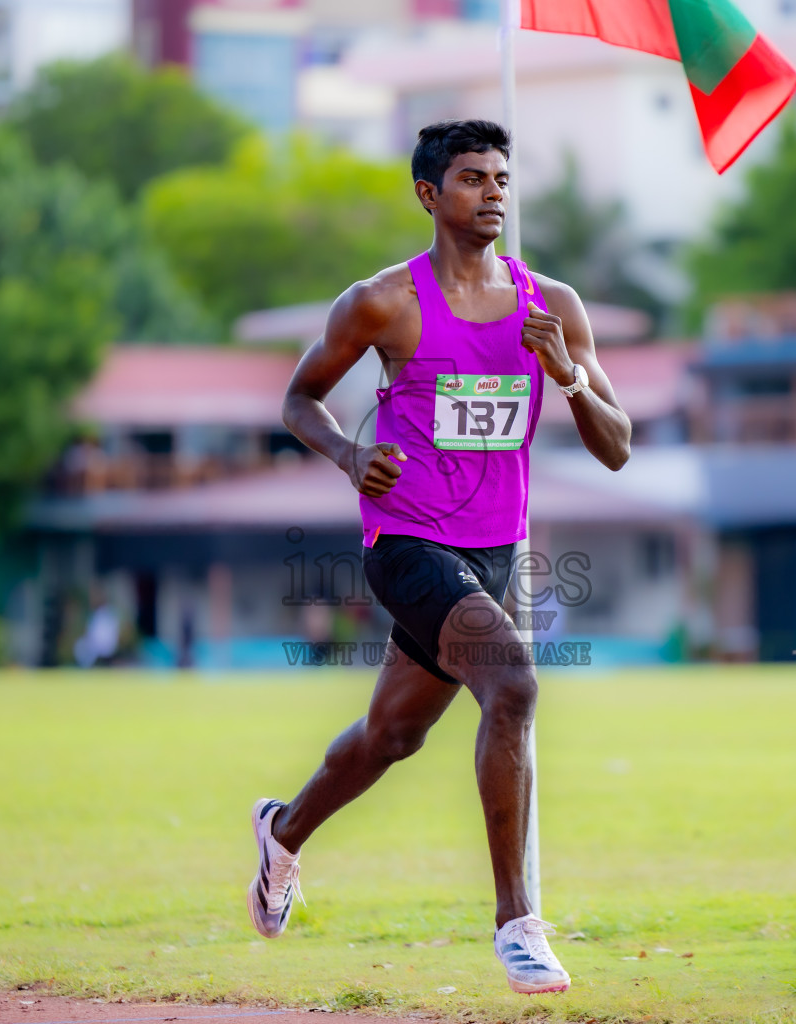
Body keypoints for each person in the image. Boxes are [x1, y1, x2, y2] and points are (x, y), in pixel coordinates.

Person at [256, 119, 631, 995]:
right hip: (408, 543)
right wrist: (351, 456)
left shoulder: (554, 308)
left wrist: (566, 375)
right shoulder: (383, 302)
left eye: (502, 177)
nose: (493, 192)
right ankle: (518, 923)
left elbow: (617, 448)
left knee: (394, 735)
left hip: (494, 552)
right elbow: (299, 399)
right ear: (429, 195)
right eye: (471, 178)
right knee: (516, 686)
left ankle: (282, 833)